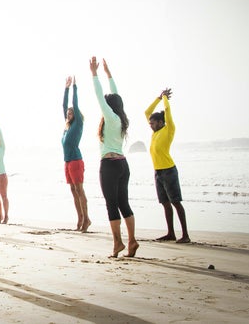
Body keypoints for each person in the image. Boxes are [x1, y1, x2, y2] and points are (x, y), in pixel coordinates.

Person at [90, 57, 138, 258]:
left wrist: (94, 74)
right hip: (123, 165)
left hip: (109, 165)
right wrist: (109, 74)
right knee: (123, 203)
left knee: (112, 204)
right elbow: (115, 95)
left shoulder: (109, 117)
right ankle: (132, 241)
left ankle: (118, 243)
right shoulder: (120, 118)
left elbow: (100, 96)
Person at [145, 88, 190, 244]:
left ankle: (185, 235)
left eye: (152, 123)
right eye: (149, 123)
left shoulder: (168, 129)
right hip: (158, 172)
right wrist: (157, 97)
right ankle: (171, 233)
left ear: (160, 122)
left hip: (169, 171)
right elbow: (147, 111)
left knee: (175, 202)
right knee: (165, 204)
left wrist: (165, 98)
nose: (150, 125)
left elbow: (167, 109)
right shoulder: (154, 132)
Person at [62, 76, 90, 232]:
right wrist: (65, 88)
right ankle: (80, 218)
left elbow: (74, 104)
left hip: (76, 161)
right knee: (73, 191)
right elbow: (64, 105)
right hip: (67, 162)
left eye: (71, 113)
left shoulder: (78, 124)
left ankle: (86, 219)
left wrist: (74, 87)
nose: (68, 114)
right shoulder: (66, 126)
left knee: (80, 190)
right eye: (68, 113)